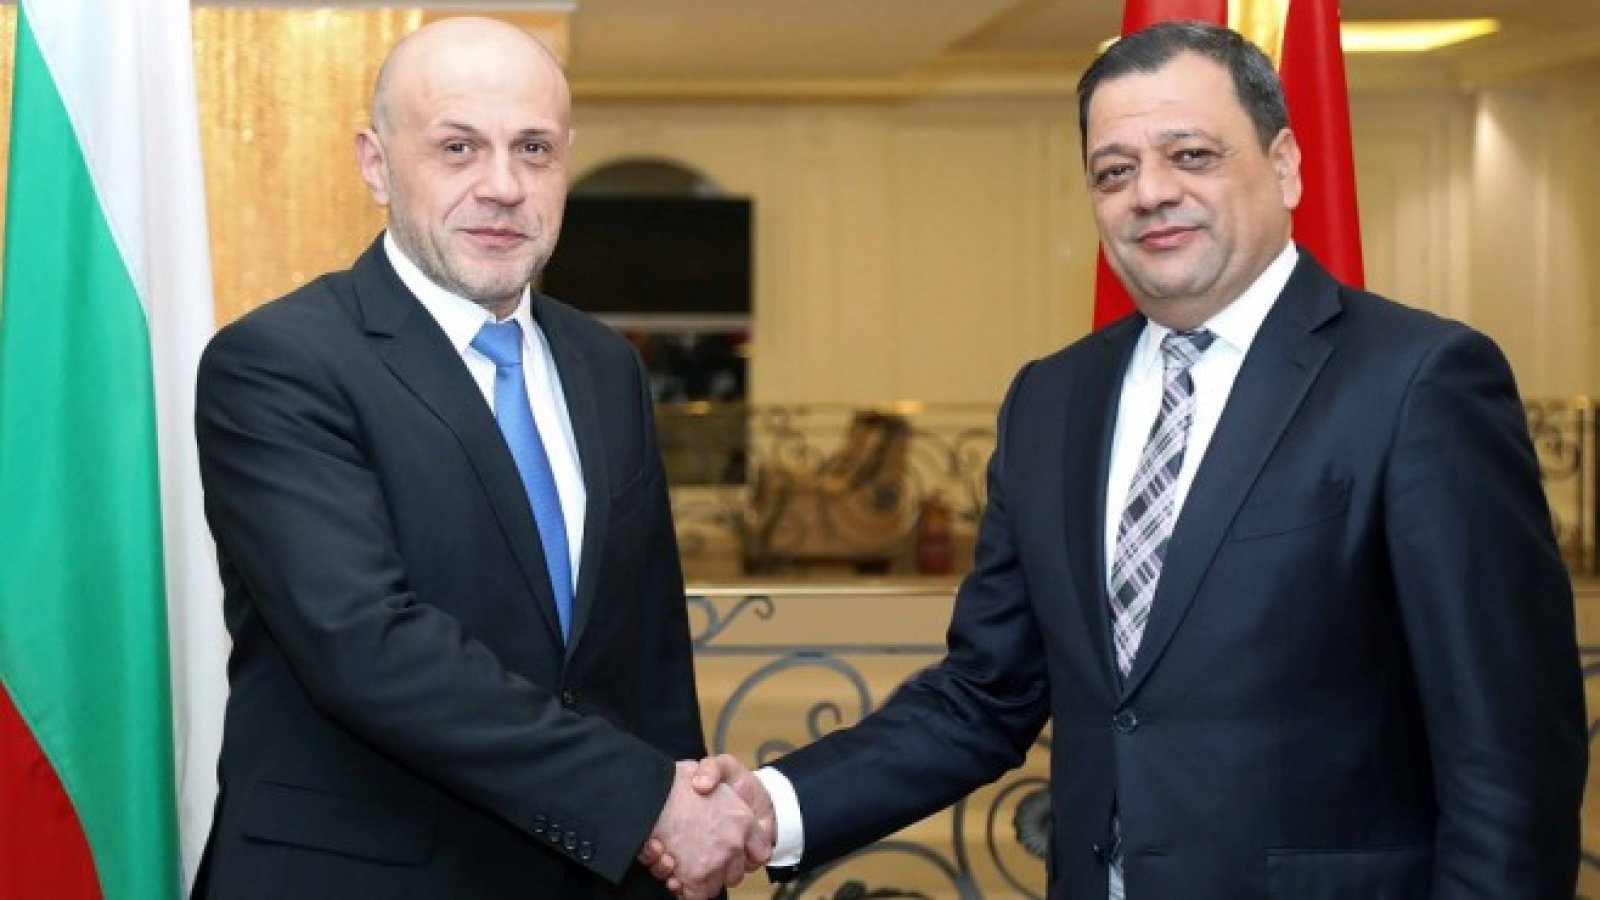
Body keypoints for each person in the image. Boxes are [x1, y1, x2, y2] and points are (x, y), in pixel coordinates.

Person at [666, 20, 1587, 900]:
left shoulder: (1419, 381)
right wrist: (771, 807)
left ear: (1285, 165)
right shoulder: (1052, 400)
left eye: (1191, 155)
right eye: (1115, 170)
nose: (1149, 192)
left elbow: (1508, 759)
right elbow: (984, 694)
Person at [191, 17, 766, 900]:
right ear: (375, 164)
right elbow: (369, 647)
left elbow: (646, 653)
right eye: (458, 147)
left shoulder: (604, 365)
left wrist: (686, 842)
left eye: (533, 149)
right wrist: (648, 803)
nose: (503, 186)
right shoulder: (278, 362)